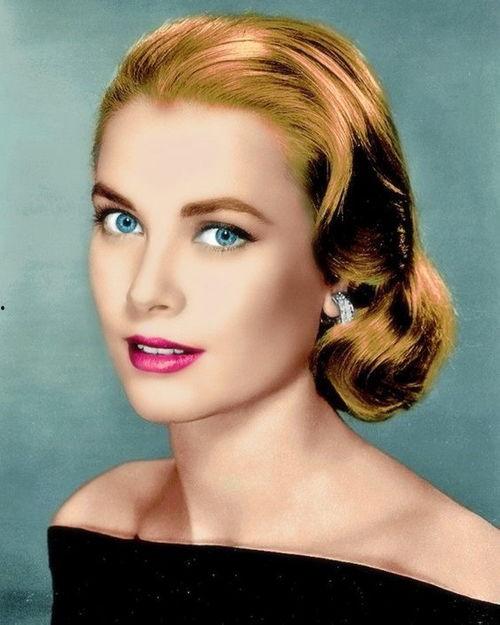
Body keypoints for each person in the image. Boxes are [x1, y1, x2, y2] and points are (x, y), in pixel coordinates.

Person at [47, 11, 500, 623]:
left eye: (221, 234)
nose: (146, 290)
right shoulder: (97, 525)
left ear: (342, 264)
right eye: (122, 222)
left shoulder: (463, 581)